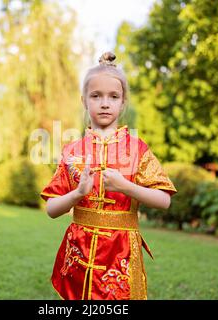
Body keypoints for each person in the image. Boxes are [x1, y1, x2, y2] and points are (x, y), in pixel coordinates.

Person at [40, 52, 178, 300]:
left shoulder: (137, 149)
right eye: (96, 96)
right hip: (78, 255)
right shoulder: (72, 152)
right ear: (84, 101)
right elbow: (51, 209)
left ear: (123, 102)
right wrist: (78, 194)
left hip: (121, 255)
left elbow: (164, 200)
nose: (105, 103)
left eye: (113, 97)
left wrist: (126, 186)